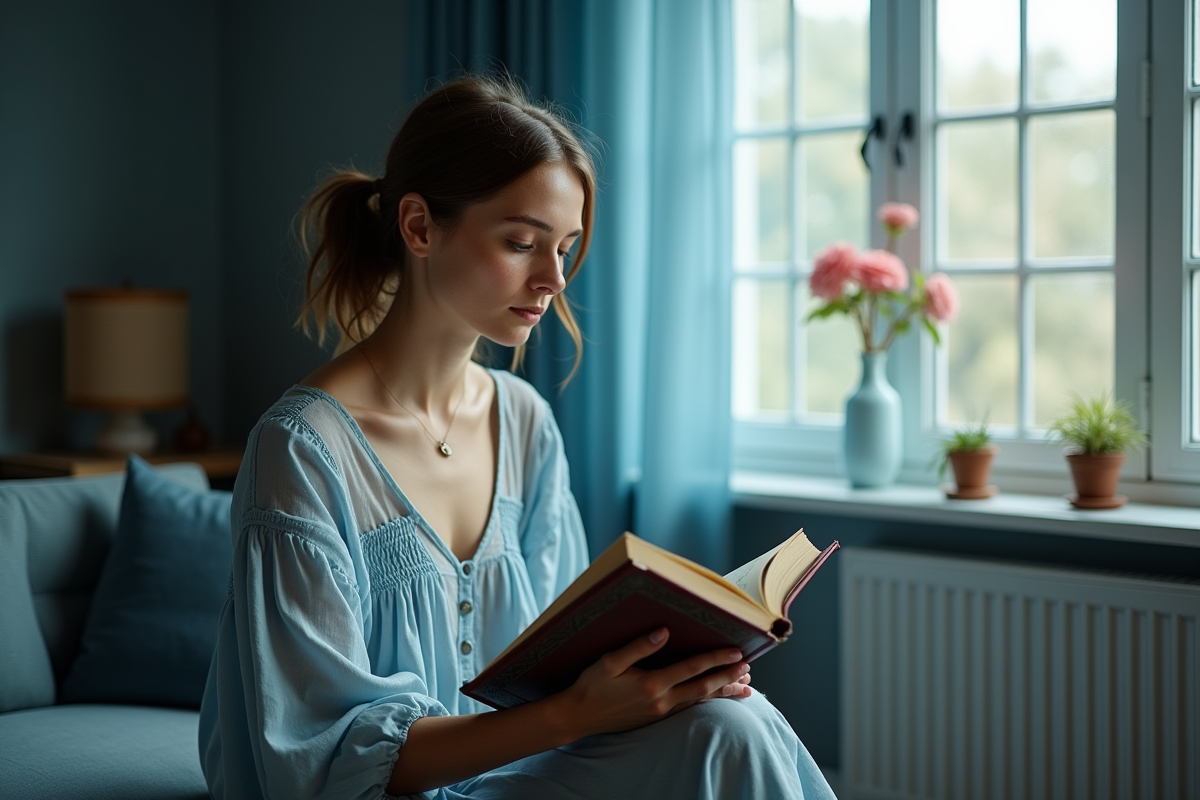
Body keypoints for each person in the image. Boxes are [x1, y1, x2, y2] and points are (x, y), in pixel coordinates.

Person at [198, 74, 836, 800]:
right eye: (522, 242)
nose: (554, 278)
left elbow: (560, 663)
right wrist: (574, 713)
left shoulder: (523, 420)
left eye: (564, 247)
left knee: (734, 724)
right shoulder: (303, 451)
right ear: (418, 227)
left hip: (518, 773)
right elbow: (316, 764)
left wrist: (661, 683)